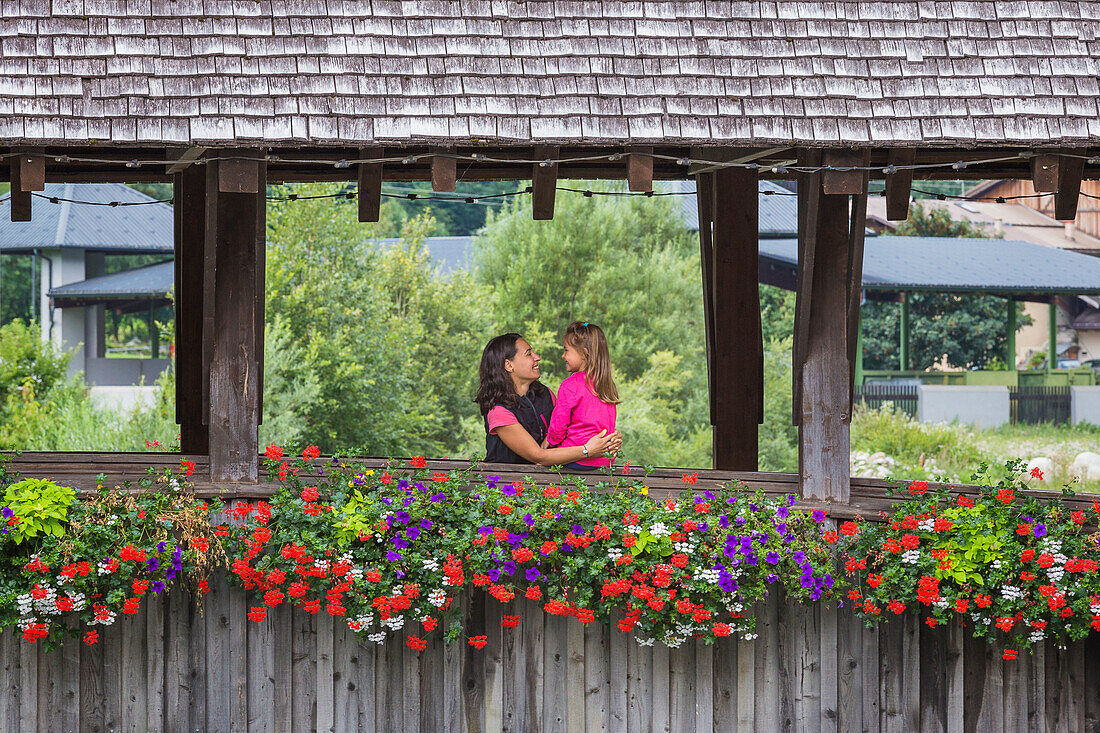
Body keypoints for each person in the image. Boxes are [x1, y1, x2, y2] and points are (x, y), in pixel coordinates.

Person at [475, 332, 621, 465]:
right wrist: (587, 450)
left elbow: (571, 428)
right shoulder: (499, 412)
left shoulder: (545, 394)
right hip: (508, 486)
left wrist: (607, 439)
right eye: (528, 354)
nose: (537, 357)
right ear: (509, 365)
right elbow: (538, 456)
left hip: (546, 483)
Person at [545, 321, 619, 470]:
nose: (563, 355)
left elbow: (558, 426)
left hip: (576, 458)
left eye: (566, 350)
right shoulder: (607, 385)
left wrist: (550, 443)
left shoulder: (570, 385)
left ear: (584, 353)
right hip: (603, 460)